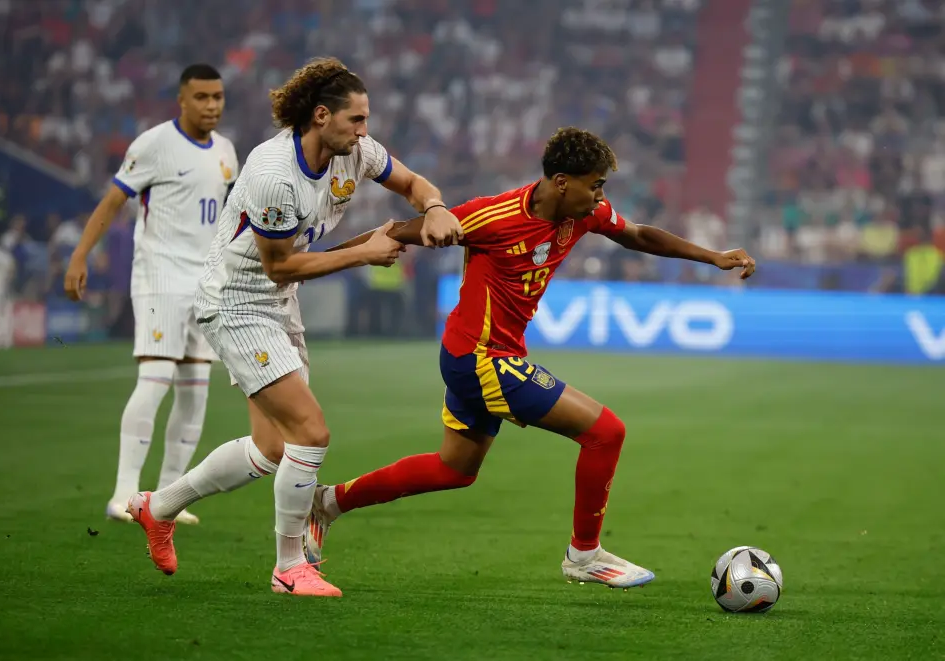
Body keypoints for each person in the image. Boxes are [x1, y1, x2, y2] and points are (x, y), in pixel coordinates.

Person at [304, 127, 757, 589]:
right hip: (478, 358)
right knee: (606, 432)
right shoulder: (490, 216)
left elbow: (639, 235)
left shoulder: (586, 213)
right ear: (562, 181)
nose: (601, 196)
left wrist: (712, 257)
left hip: (485, 356)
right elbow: (394, 233)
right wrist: (311, 265)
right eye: (595, 184)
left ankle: (327, 503)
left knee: (454, 470)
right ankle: (584, 555)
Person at [125, 57, 463, 598]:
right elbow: (279, 264)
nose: (364, 130)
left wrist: (437, 205)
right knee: (310, 432)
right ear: (321, 116)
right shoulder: (274, 175)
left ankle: (157, 507)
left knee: (271, 451)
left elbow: (412, 182)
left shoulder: (356, 151)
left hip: (279, 303)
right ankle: (289, 567)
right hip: (237, 303)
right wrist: (364, 254)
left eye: (367, 119)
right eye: (356, 120)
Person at [64, 64, 238, 525]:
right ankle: (123, 493)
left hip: (206, 282)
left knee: (195, 391)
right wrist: (81, 255)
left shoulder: (226, 152)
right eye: (201, 97)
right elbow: (113, 201)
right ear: (182, 99)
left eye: (217, 97)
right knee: (156, 377)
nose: (211, 105)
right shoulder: (154, 144)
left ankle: (165, 499)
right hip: (160, 275)